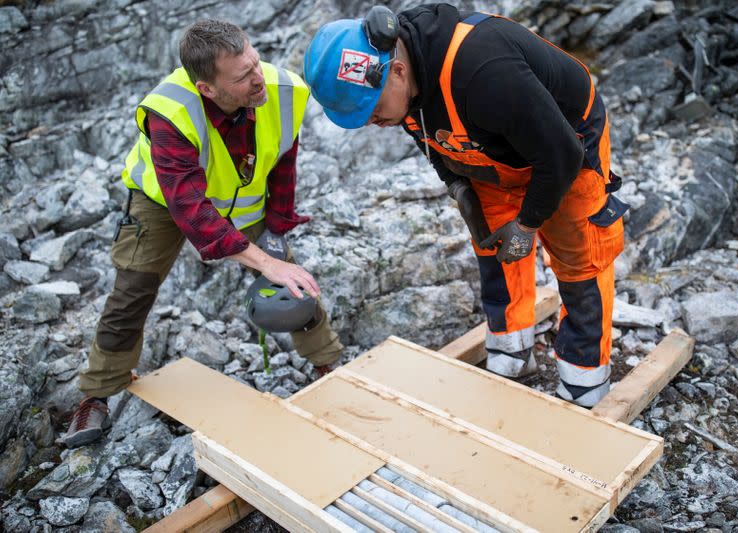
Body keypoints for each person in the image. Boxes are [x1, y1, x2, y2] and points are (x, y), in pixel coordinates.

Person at [303, 4, 628, 408]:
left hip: (565, 143)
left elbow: (559, 154)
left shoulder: (485, 70)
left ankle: (584, 382)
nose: (373, 123)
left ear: (398, 72)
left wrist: (528, 224)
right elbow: (426, 136)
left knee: (580, 255)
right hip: (487, 150)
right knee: (493, 244)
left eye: (372, 113)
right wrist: (457, 184)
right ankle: (512, 349)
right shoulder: (399, 83)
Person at [60, 19, 343, 448]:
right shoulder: (169, 113)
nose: (257, 78)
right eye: (242, 76)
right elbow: (190, 210)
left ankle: (329, 365)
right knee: (132, 288)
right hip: (163, 202)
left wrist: (277, 230)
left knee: (289, 281)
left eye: (255, 62)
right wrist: (263, 260)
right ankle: (98, 391)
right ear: (207, 88)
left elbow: (283, 159)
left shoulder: (282, 90)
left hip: (240, 195)